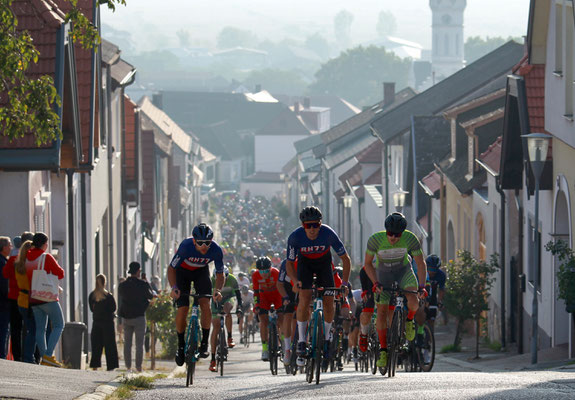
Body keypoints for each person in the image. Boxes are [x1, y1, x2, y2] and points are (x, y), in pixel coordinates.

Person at [286, 206, 351, 367]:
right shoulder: (295, 237)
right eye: (309, 226)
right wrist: (295, 281)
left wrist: (344, 283)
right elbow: (289, 263)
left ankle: (327, 336)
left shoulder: (328, 233)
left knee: (329, 301)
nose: (312, 229)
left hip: (324, 264)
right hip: (305, 265)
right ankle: (302, 341)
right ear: (303, 226)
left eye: (316, 225)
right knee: (305, 297)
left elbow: (346, 259)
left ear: (320, 224)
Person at [363, 212, 428, 369]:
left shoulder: (410, 238)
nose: (393, 238)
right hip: (383, 273)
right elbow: (367, 264)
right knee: (382, 311)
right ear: (386, 231)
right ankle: (384, 350)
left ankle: (409, 320)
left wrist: (421, 286)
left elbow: (420, 264)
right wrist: (375, 282)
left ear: (403, 233)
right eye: (390, 234)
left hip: (403, 271)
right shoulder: (375, 240)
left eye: (397, 235)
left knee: (413, 301)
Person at [168, 223, 225, 368]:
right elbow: (171, 268)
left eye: (207, 242)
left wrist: (218, 290)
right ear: (194, 241)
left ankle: (204, 343)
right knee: (183, 308)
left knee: (205, 303)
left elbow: (220, 273)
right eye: (200, 243)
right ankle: (181, 346)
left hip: (201, 273)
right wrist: (174, 287)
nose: (204, 246)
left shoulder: (216, 250)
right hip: (182, 273)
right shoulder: (186, 246)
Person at [17, 233, 65, 367]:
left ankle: (45, 358)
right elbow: (61, 273)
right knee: (59, 324)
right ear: (44, 244)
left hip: (33, 298)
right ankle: (48, 355)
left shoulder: (26, 257)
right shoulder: (46, 257)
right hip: (48, 297)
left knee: (40, 329)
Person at [118, 261, 155, 372]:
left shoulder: (123, 285)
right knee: (139, 344)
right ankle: (138, 367)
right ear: (138, 271)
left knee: (127, 343)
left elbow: (121, 296)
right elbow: (150, 295)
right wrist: (146, 281)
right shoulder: (142, 284)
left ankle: (128, 367)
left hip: (127, 317)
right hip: (139, 316)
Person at [209, 267, 242, 371]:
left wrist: (239, 308)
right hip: (215, 301)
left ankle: (230, 337)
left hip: (228, 298)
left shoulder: (232, 279)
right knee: (215, 328)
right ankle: (213, 359)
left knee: (227, 309)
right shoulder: (211, 280)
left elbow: (238, 295)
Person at [12, 232, 36, 364]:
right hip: (30, 299)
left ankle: (24, 355)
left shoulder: (18, 264)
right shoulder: (29, 264)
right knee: (32, 330)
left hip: (21, 298)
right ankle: (28, 357)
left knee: (24, 329)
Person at [252, 256, 282, 361]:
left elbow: (282, 288)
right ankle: (265, 349)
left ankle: (282, 342)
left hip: (277, 296)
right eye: (261, 271)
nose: (264, 273)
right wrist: (256, 305)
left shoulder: (276, 273)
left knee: (281, 321)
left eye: (266, 271)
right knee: (263, 322)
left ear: (270, 268)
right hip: (264, 297)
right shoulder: (255, 275)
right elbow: (256, 292)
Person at [89, 274, 119, 370]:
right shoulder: (108, 296)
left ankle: (95, 365)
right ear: (104, 282)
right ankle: (111, 366)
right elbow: (114, 308)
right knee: (110, 345)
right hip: (108, 323)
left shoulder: (92, 296)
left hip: (97, 322)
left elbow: (91, 309)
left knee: (96, 345)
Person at [2, 236, 24, 361]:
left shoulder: (11, 260)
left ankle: (17, 355)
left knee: (15, 328)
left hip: (14, 297)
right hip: (25, 297)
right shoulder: (27, 258)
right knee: (29, 328)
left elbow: (6, 274)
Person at [0, 236, 12, 359]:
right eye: (9, 245)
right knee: (3, 331)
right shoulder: (3, 263)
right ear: (3, 248)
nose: (11, 247)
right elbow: (4, 285)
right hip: (3, 304)